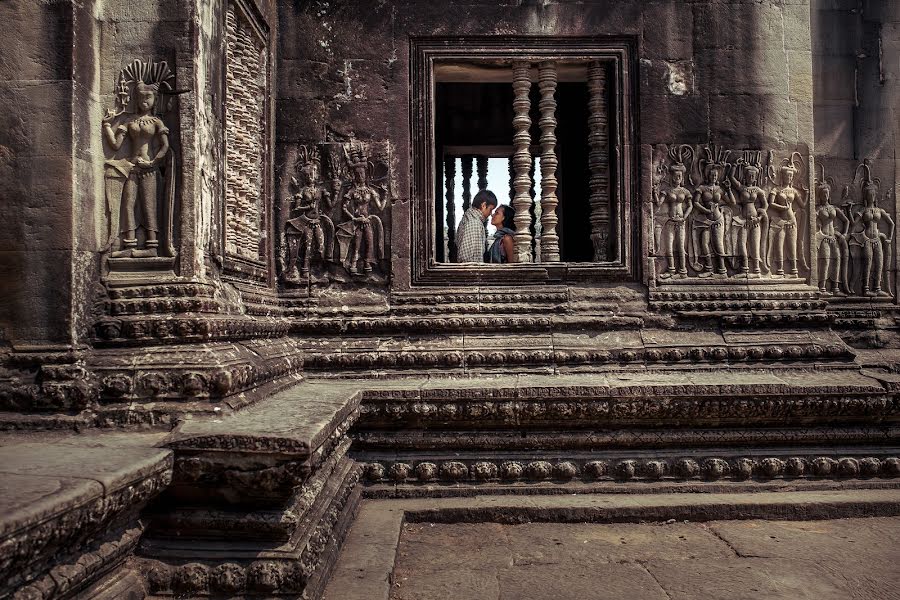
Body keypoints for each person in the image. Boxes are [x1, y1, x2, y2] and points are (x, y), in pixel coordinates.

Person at [455, 189, 497, 262]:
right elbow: (465, 259)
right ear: (483, 205)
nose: (490, 213)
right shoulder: (474, 223)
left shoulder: (471, 218)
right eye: (490, 209)